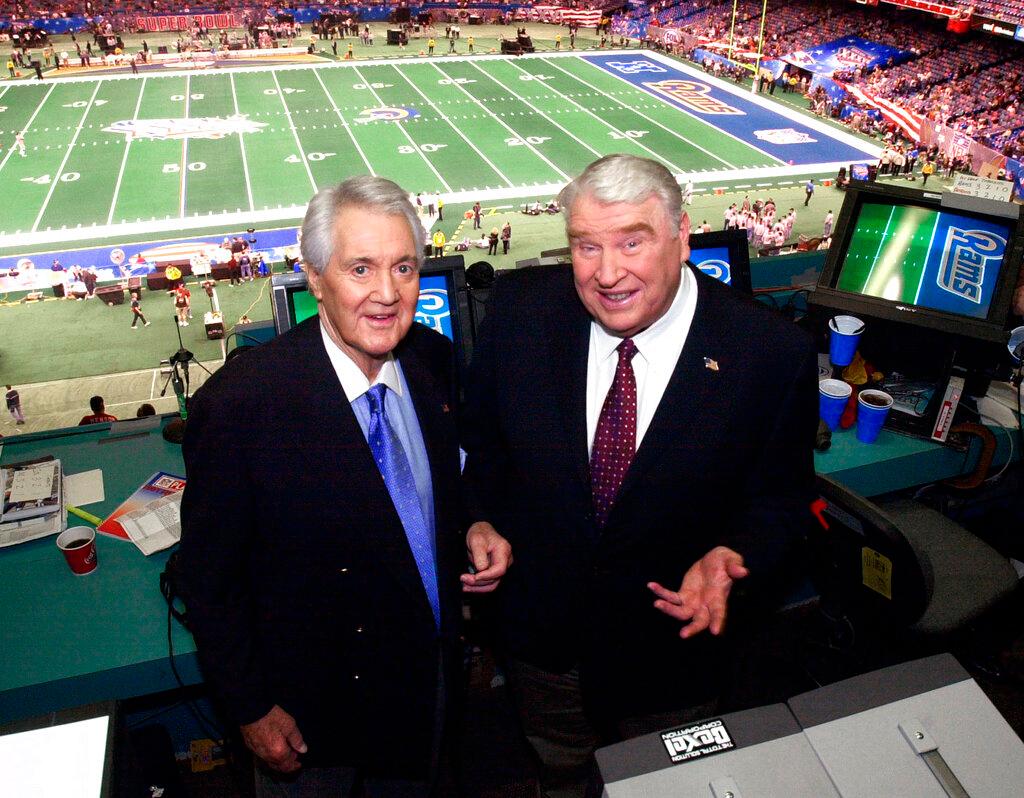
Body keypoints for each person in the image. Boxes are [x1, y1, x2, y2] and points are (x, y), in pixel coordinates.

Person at [461, 154, 818, 798]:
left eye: (633, 240)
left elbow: (783, 500)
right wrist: (479, 517)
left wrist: (736, 553)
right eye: (586, 246)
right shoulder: (518, 316)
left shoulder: (768, 352)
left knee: (672, 786)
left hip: (673, 654)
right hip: (544, 645)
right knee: (561, 773)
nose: (607, 272)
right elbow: (482, 449)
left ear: (682, 234)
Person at [176, 176, 467, 798]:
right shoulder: (243, 405)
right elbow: (209, 578)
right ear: (313, 277)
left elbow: (434, 500)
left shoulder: (432, 362)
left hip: (422, 686)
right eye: (360, 268)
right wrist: (251, 709)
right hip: (309, 716)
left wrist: (475, 523)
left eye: (404, 267)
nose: (387, 294)